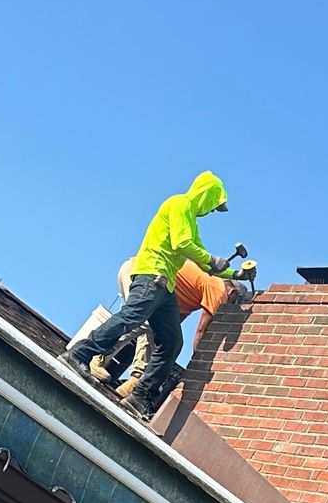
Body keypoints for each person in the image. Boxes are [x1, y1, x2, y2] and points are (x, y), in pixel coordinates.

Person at [64, 172, 232, 412]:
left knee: (172, 341)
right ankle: (78, 355)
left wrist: (233, 274)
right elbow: (183, 244)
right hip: (152, 274)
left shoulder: (191, 220)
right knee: (131, 317)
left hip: (166, 287)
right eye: (214, 205)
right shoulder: (179, 204)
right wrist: (211, 259)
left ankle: (140, 396)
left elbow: (204, 261)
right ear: (207, 195)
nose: (212, 211)